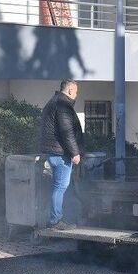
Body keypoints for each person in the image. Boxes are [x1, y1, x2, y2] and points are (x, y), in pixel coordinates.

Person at [39, 79, 84, 230]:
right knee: (60, 187)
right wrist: (75, 153)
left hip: (54, 151)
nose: (76, 95)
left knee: (59, 187)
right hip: (60, 153)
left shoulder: (54, 102)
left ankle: (56, 218)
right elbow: (67, 132)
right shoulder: (63, 105)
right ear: (70, 90)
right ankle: (55, 221)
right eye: (76, 92)